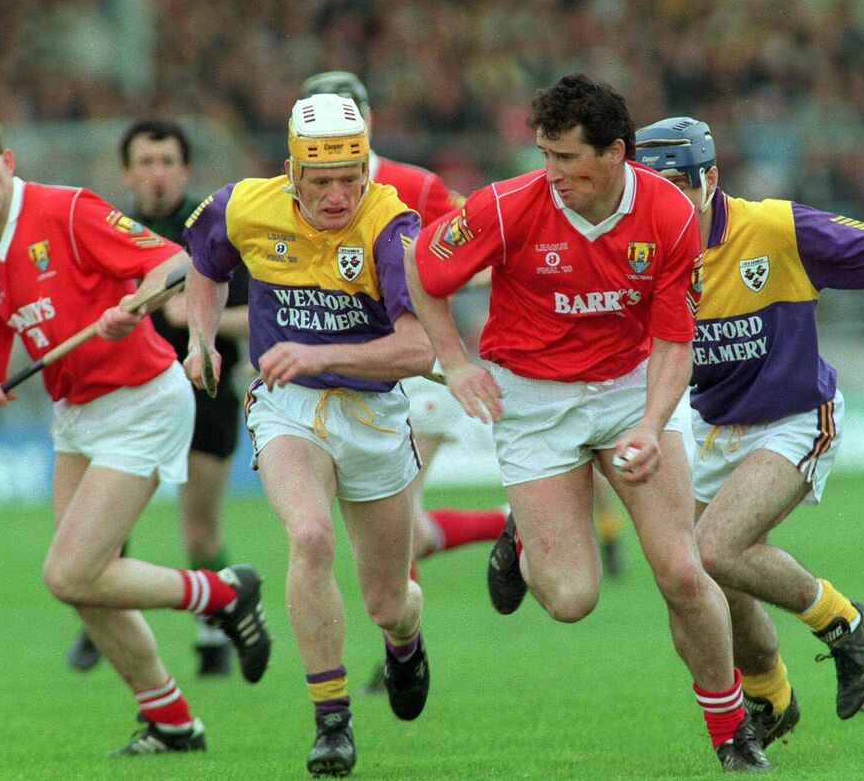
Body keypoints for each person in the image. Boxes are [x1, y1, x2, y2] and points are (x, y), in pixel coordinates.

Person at [405, 74, 769, 772]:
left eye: (567, 158)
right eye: (546, 155)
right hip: (532, 401)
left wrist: (652, 424)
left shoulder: (668, 214)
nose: (552, 173)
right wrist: (453, 363)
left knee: (682, 571)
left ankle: (732, 733)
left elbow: (674, 342)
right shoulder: (506, 206)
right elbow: (421, 267)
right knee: (572, 599)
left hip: (631, 389)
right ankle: (520, 537)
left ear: (615, 154)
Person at [0, 104, 271, 756]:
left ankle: (224, 592)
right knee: (86, 585)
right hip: (76, 416)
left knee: (70, 572)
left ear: (6, 162)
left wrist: (134, 303)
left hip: (142, 399)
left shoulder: (66, 209)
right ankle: (173, 723)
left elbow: (172, 262)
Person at [633, 116, 864, 745]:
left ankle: (845, 621)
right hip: (712, 427)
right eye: (651, 192)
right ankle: (771, 696)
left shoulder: (772, 228)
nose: (666, 205)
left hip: (797, 417)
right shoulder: (641, 254)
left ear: (709, 179)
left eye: (677, 187)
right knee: (692, 580)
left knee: (715, 548)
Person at [183, 93, 434, 777]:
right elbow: (205, 265)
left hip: (374, 415)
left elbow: (419, 350)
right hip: (287, 406)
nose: (338, 195)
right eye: (321, 181)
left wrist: (319, 352)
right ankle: (331, 721)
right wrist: (201, 337)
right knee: (312, 537)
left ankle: (406, 642)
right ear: (293, 171)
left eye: (351, 177)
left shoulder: (392, 226)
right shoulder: (245, 205)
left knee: (389, 602)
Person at [301, 70, 626, 594]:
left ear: (368, 121)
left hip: (418, 373)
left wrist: (455, 285)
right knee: (393, 536)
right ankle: (505, 522)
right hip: (351, 369)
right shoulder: (292, 197)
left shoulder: (415, 185)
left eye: (346, 116)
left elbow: (487, 247)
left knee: (394, 531)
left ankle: (403, 646)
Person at [65, 119, 248, 676]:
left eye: (167, 161)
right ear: (127, 173)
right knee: (108, 529)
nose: (157, 173)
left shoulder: (214, 229)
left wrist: (202, 320)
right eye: (146, 162)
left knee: (200, 531)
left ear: (185, 170)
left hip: (204, 390)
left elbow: (258, 318)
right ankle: (102, 621)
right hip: (132, 398)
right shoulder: (113, 231)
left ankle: (215, 634)